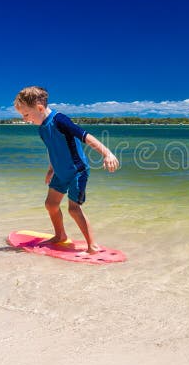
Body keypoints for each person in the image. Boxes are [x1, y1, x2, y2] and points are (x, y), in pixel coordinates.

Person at [14, 86, 120, 254]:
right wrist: (51, 169)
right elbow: (52, 148)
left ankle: (92, 246)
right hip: (60, 172)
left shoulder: (60, 120)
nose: (25, 119)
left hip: (77, 171)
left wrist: (107, 153)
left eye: (26, 115)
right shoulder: (42, 128)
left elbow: (84, 135)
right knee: (50, 204)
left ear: (40, 108)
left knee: (73, 209)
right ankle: (60, 236)